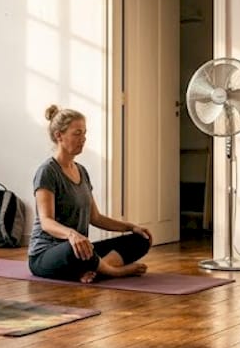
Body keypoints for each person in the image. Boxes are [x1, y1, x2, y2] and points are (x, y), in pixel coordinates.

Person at [28, 105, 152, 283]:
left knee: (141, 239)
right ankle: (113, 271)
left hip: (81, 250)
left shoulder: (81, 171)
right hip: (46, 254)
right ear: (59, 135)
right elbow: (46, 222)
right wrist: (71, 234)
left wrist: (131, 227)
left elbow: (96, 217)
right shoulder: (47, 172)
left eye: (84, 133)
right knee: (73, 249)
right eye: (77, 134)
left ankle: (95, 270)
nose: (83, 139)